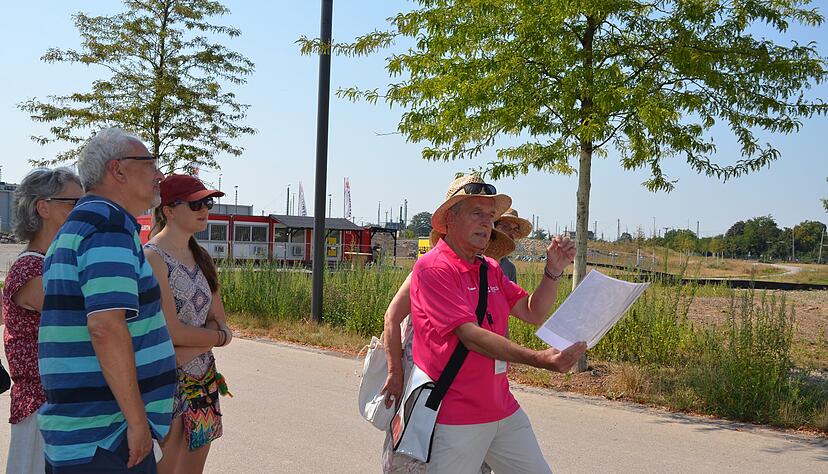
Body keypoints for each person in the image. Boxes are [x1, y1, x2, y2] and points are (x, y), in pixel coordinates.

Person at [409, 174, 586, 473]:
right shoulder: (433, 268)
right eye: (476, 213)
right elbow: (471, 337)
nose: (486, 223)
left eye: (490, 216)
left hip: (502, 409)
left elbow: (532, 312)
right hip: (457, 415)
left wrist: (552, 271)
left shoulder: (489, 268)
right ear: (449, 220)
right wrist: (538, 359)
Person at [39, 128, 177, 473]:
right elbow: (105, 326)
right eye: (150, 163)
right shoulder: (107, 226)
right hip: (106, 436)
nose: (159, 174)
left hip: (89, 434)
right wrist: (136, 421)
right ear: (118, 170)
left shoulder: (83, 224)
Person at [379, 228, 513, 473]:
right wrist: (395, 372)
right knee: (413, 454)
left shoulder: (494, 274)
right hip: (426, 380)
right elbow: (392, 317)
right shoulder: (431, 270)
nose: (486, 235)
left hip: (475, 393)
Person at [144, 174, 233, 473]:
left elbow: (221, 321)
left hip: (202, 380)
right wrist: (216, 337)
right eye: (195, 203)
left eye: (207, 202)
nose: (204, 208)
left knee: (194, 468)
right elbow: (171, 331)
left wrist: (207, 340)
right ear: (169, 209)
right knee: (166, 467)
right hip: (166, 382)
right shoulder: (153, 258)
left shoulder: (202, 256)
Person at [3, 168, 83, 474]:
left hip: (60, 404)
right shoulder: (31, 269)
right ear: (43, 207)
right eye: (73, 203)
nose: (82, 211)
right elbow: (86, 318)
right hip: (42, 407)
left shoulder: (55, 263)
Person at [494, 208, 533, 283]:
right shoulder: (475, 260)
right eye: (505, 227)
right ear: (493, 227)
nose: (511, 233)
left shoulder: (509, 268)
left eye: (515, 229)